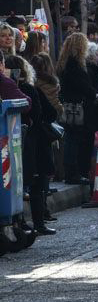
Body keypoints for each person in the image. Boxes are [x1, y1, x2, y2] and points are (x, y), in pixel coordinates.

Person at [3, 53, 57, 236]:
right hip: (33, 143)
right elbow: (47, 113)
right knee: (36, 184)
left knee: (18, 185)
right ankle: (38, 223)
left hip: (21, 143)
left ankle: (21, 222)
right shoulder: (28, 89)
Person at [57, 32, 98, 185]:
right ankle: (73, 172)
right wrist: (94, 94)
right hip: (76, 106)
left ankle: (71, 171)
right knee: (73, 139)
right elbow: (84, 86)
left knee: (71, 138)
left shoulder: (65, 63)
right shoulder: (75, 65)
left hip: (68, 104)